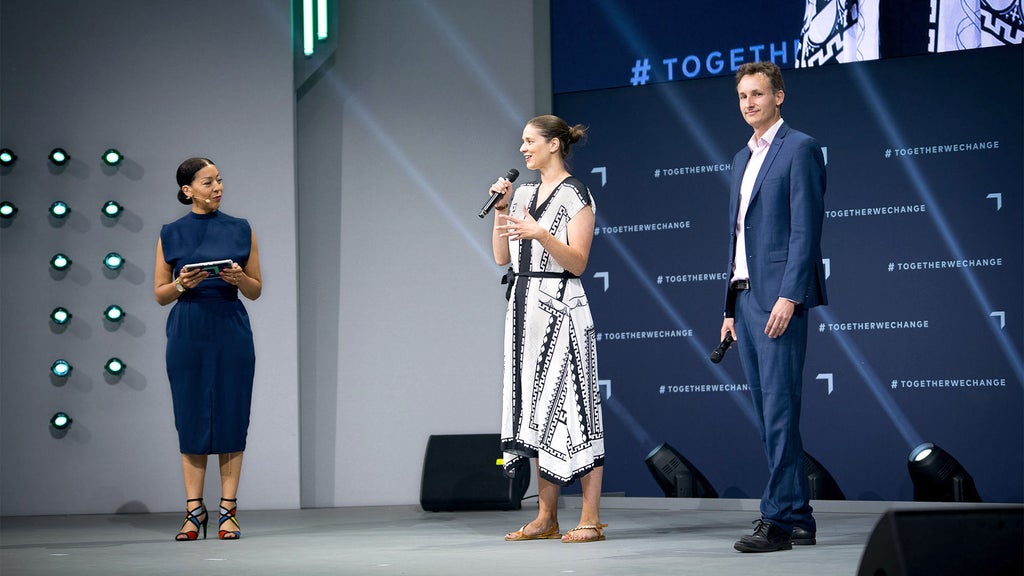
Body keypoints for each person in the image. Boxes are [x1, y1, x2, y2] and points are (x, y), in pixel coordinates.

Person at [720, 62, 828, 553]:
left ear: (779, 96)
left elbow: (806, 230)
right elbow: (738, 241)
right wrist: (729, 306)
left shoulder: (799, 147)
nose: (749, 103)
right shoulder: (741, 158)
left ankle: (778, 520)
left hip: (779, 298)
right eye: (743, 96)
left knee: (780, 412)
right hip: (745, 299)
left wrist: (789, 294)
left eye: (758, 94)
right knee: (768, 414)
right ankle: (799, 516)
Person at [489, 115, 606, 544]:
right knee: (535, 412)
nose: (522, 148)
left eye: (530, 140)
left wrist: (540, 234)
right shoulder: (521, 193)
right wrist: (501, 212)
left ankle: (590, 517)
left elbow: (578, 262)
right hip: (524, 312)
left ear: (554, 144)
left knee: (575, 409)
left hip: (563, 308)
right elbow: (503, 257)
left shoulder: (576, 194)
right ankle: (545, 516)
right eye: (521, 141)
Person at [154, 157, 263, 541]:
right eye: (207, 182)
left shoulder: (241, 229)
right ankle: (193, 511)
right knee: (192, 417)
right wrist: (183, 283)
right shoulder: (170, 232)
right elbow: (160, 295)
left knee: (232, 416)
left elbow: (256, 289)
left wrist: (238, 277)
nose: (217, 187)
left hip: (230, 327)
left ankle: (228, 512)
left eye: (219, 180)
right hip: (188, 329)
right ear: (188, 191)